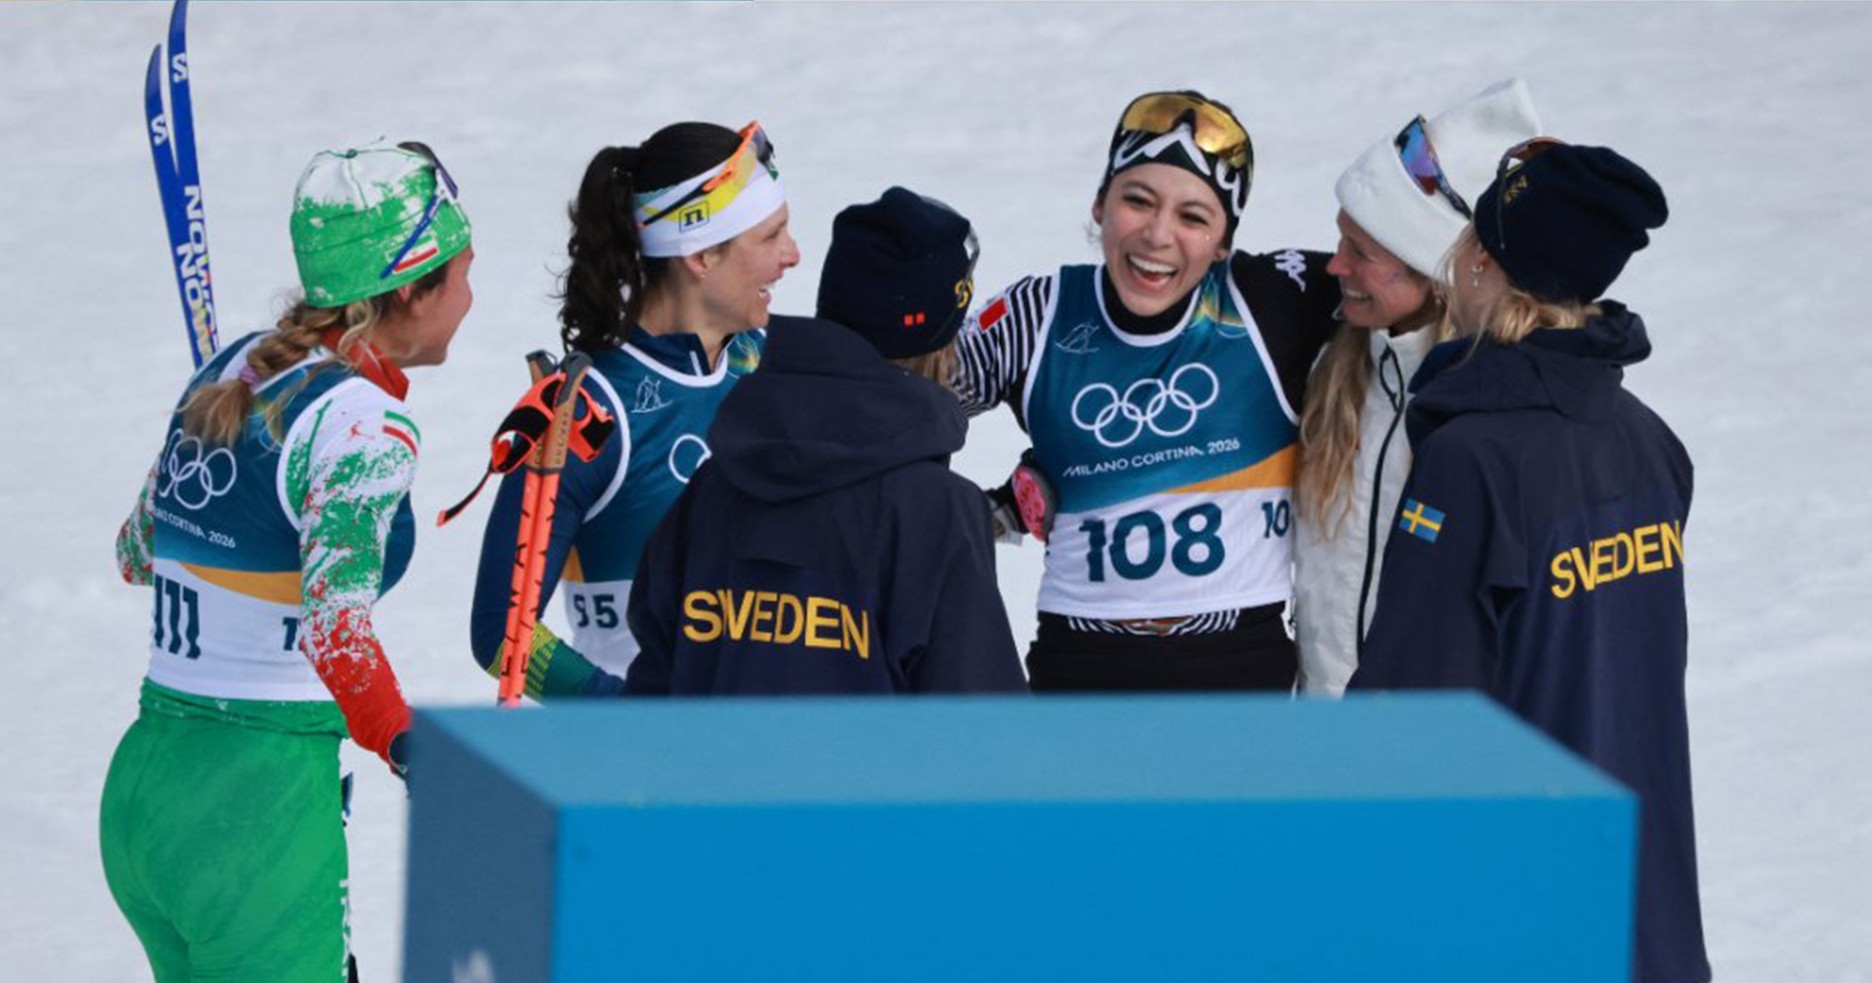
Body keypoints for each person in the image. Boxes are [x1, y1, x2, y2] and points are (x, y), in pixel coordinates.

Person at [103, 142, 473, 982]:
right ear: (410, 290)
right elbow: (335, 632)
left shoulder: (231, 365)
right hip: (257, 812)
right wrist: (418, 753)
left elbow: (135, 551)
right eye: (460, 275)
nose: (470, 297)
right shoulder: (366, 427)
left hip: (147, 790)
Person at [1348, 141, 1708, 983]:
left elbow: (1412, 703)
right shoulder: (1652, 444)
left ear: (1483, 264)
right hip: (1641, 905)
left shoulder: (1472, 462)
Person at [953, 90, 1340, 691]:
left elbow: (1409, 291)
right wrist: (968, 510)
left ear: (1223, 243)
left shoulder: (1272, 302)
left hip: (1240, 669)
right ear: (1100, 203)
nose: (1158, 236)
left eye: (1193, 217)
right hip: (1080, 668)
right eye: (1137, 201)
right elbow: (892, 408)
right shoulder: (1040, 312)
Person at [626, 187, 1025, 694]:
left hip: (708, 773)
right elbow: (980, 728)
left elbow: (654, 689)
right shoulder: (936, 512)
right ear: (942, 343)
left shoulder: (713, 486)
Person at [467, 120, 800, 698]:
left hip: (766, 749)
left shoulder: (762, 364)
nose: (792, 255)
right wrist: (628, 714)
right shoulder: (589, 410)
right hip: (644, 768)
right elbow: (502, 635)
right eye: (771, 238)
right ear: (699, 255)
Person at [1294, 79, 1542, 696]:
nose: (1335, 266)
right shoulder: (1328, 367)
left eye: (1362, 250)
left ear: (1435, 271)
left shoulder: (1494, 410)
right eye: (1340, 237)